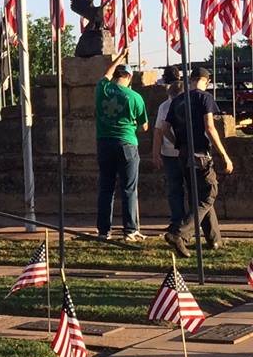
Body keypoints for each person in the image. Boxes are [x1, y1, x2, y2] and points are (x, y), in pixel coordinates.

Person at [162, 67, 233, 257]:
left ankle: (214, 239)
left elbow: (164, 128)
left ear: (191, 79)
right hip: (200, 153)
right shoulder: (204, 98)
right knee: (209, 194)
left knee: (198, 196)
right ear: (206, 81)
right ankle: (180, 234)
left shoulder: (177, 100)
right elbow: (210, 127)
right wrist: (224, 155)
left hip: (183, 153)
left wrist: (177, 143)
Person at [94, 55, 149, 241]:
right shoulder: (135, 97)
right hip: (126, 143)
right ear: (129, 78)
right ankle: (130, 230)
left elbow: (105, 73)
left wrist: (119, 57)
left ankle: (103, 231)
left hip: (104, 143)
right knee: (128, 188)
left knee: (106, 188)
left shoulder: (102, 89)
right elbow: (144, 126)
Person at [152, 66, 185, 231]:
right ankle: (188, 222)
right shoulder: (168, 106)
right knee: (188, 188)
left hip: (171, 151)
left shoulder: (165, 106)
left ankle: (178, 221)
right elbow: (159, 131)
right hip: (182, 151)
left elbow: (159, 131)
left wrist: (156, 153)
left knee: (174, 189)